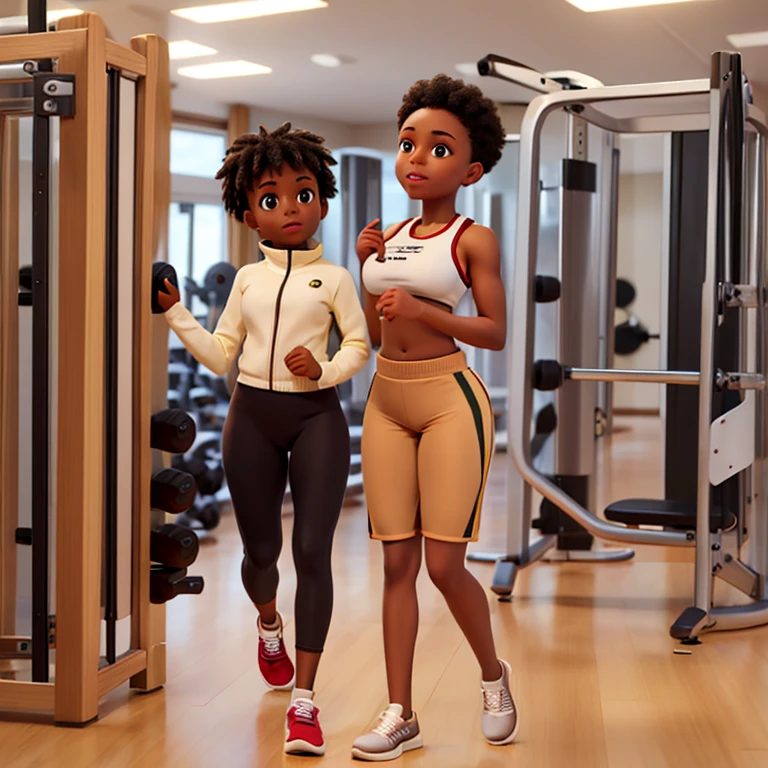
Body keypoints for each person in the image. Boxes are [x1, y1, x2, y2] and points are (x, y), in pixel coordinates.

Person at [156, 123, 370, 757]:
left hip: (316, 418)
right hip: (249, 415)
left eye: (303, 194)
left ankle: (305, 703)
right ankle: (269, 623)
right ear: (250, 213)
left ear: (322, 201)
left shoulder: (334, 280)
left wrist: (325, 369)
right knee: (260, 553)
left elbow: (358, 344)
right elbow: (222, 355)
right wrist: (174, 311)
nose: (290, 208)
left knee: (311, 550)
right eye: (271, 199)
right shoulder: (246, 281)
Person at [351, 75, 516, 761]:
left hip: (450, 400)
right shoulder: (384, 235)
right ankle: (401, 714)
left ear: (471, 170)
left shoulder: (472, 240)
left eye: (437, 148)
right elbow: (375, 329)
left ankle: (492, 675)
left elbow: (495, 332)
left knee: (445, 567)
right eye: (408, 143)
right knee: (396, 566)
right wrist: (367, 266)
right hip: (386, 401)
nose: (416, 158)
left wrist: (424, 312)